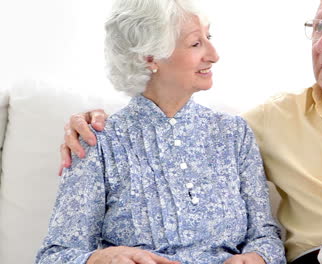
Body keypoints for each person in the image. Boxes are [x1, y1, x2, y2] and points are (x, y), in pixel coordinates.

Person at [60, 0, 322, 263]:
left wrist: (257, 255)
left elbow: (262, 238)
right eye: (318, 28)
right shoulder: (263, 124)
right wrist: (92, 124)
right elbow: (61, 250)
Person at [36, 0, 286, 263]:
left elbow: (265, 235)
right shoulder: (97, 141)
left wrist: (256, 258)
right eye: (195, 43)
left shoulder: (233, 133)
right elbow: (54, 256)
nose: (214, 54)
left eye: (208, 37)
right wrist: (102, 259)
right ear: (149, 57)